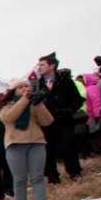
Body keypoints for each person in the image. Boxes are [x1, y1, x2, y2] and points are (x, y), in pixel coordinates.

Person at [0, 79, 54, 200]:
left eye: (26, 86)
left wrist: (38, 103)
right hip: (15, 145)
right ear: (13, 91)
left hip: (36, 143)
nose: (25, 89)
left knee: (37, 176)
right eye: (20, 87)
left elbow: (47, 121)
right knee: (19, 178)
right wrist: (24, 100)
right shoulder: (6, 106)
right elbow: (9, 118)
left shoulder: (34, 104)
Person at [34, 53, 83, 182]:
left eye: (43, 64)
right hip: (46, 123)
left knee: (69, 146)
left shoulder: (65, 80)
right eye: (39, 65)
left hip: (64, 120)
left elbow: (78, 99)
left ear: (52, 65)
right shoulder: (37, 84)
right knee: (48, 150)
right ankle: (52, 176)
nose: (39, 67)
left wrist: (68, 110)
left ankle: (74, 173)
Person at [83, 72, 101, 155]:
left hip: (96, 113)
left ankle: (99, 150)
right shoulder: (98, 87)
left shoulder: (88, 89)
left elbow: (90, 104)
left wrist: (90, 115)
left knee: (96, 132)